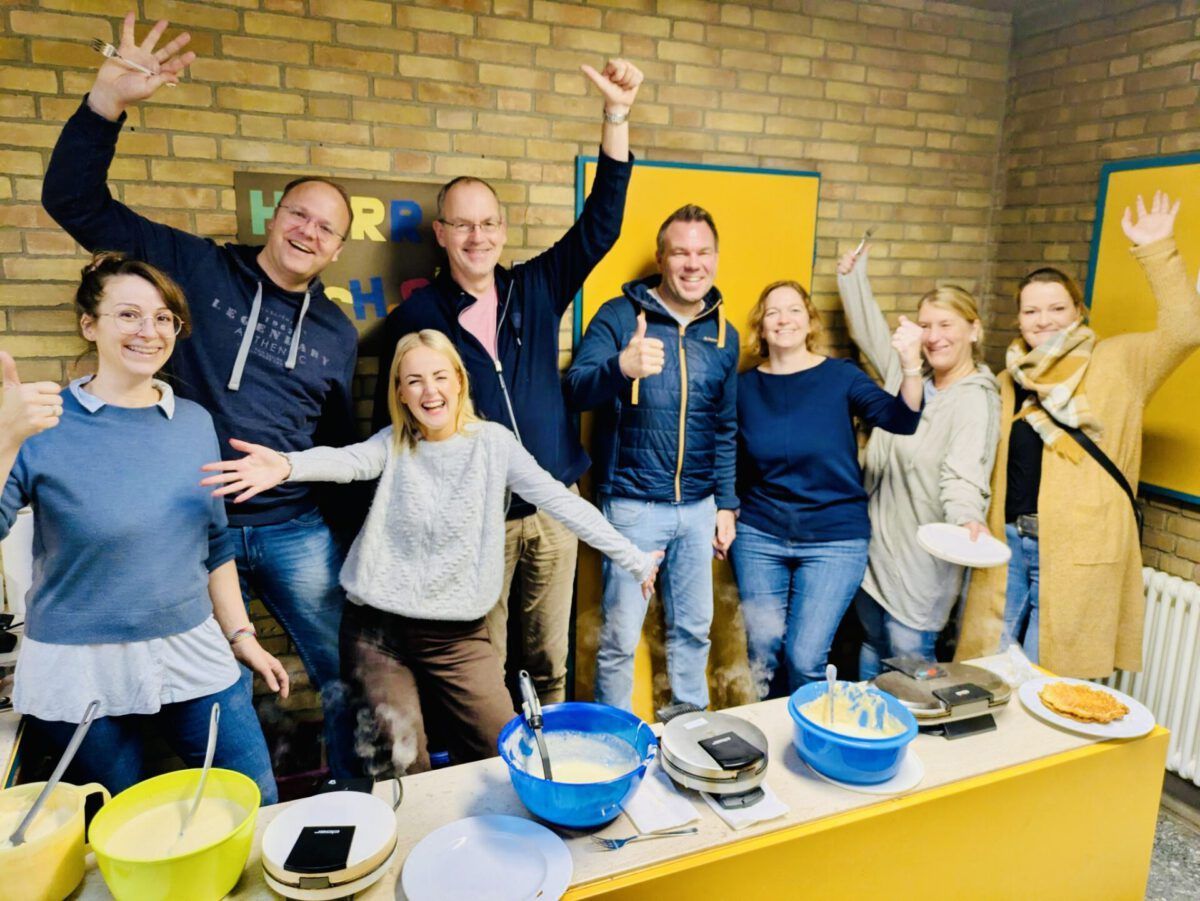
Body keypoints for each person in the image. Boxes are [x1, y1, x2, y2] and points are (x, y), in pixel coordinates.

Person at [41, 14, 359, 775]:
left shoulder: (338, 331)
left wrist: (347, 537)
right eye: (299, 214)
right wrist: (106, 103)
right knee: (204, 691)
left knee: (345, 670)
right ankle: (209, 806)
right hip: (188, 529)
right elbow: (74, 202)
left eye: (326, 228)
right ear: (274, 216)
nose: (308, 232)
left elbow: (338, 442)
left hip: (292, 529)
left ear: (339, 248)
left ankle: (360, 795)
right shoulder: (196, 266)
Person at [201, 330, 659, 773]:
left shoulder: (493, 444)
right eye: (414, 380)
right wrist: (286, 465)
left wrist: (634, 558)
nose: (430, 390)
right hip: (376, 633)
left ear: (459, 381)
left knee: (501, 754)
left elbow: (560, 500)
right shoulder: (392, 443)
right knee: (399, 765)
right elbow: (347, 462)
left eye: (440, 376)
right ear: (400, 393)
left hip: (457, 637)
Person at [372, 60, 645, 705]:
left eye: (488, 223)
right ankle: (492, 758)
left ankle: (550, 756)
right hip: (474, 519)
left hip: (553, 507)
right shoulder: (417, 318)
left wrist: (616, 116)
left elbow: (600, 226)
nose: (478, 237)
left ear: (502, 229)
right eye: (463, 225)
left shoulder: (536, 285)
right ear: (441, 234)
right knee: (482, 670)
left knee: (549, 662)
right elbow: (399, 427)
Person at [0, 254, 288, 801]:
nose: (149, 332)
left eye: (163, 318)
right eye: (128, 314)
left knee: (254, 799)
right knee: (121, 816)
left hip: (192, 647)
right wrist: (4, 439)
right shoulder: (40, 422)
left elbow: (213, 544)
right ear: (90, 325)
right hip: (78, 665)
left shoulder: (194, 422)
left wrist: (241, 636)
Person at [958, 191, 1200, 677]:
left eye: (1056, 309)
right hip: (1006, 545)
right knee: (987, 670)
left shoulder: (1120, 362)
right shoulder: (1009, 379)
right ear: (1018, 318)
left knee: (1049, 680)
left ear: (1078, 312)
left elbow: (1185, 331)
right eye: (1031, 311)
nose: (1043, 321)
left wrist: (1158, 249)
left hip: (1077, 548)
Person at [565, 204, 738, 712]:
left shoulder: (724, 334)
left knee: (694, 632)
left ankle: (689, 731)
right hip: (632, 507)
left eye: (703, 252)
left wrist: (726, 504)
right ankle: (616, 740)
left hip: (699, 508)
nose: (692, 263)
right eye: (680, 252)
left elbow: (725, 427)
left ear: (715, 257)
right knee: (620, 639)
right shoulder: (620, 316)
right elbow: (575, 389)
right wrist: (621, 366)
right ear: (661, 258)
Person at [731, 280, 924, 696]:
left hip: (834, 538)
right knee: (762, 652)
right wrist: (724, 510)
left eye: (794, 310)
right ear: (761, 327)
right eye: (772, 312)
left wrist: (911, 364)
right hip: (760, 535)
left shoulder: (841, 376)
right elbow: (727, 456)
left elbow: (902, 419)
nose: (784, 319)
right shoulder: (743, 389)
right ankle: (766, 731)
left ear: (810, 321)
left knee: (805, 658)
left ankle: (806, 731)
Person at [837, 249, 1001, 679]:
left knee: (908, 670)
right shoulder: (910, 378)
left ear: (974, 330)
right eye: (925, 326)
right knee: (872, 650)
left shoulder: (975, 400)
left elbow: (965, 474)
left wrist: (967, 518)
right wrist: (853, 277)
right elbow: (871, 334)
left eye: (946, 325)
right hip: (874, 552)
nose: (934, 336)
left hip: (919, 566)